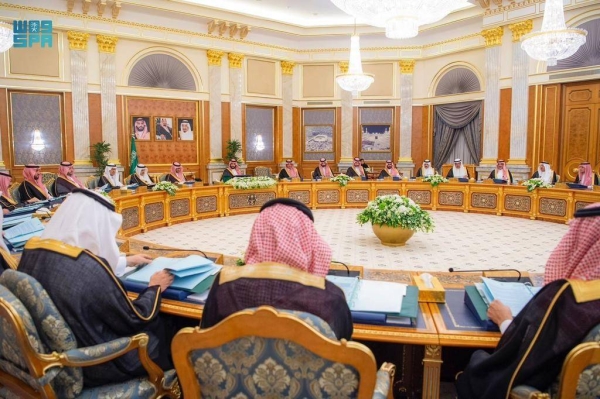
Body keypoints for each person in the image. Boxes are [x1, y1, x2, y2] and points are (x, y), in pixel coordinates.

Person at [17, 189, 176, 387]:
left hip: (47, 354)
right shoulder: (89, 268)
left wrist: (126, 260)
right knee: (169, 324)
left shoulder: (34, 250)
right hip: (94, 364)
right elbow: (135, 318)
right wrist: (154, 288)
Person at [456, 203, 600, 398]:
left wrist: (505, 321)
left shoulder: (571, 298)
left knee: (475, 365)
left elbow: (524, 361)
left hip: (536, 389)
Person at [200, 198, 353, 340]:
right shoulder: (329, 296)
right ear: (309, 239)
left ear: (257, 236)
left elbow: (206, 336)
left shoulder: (225, 286)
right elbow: (343, 344)